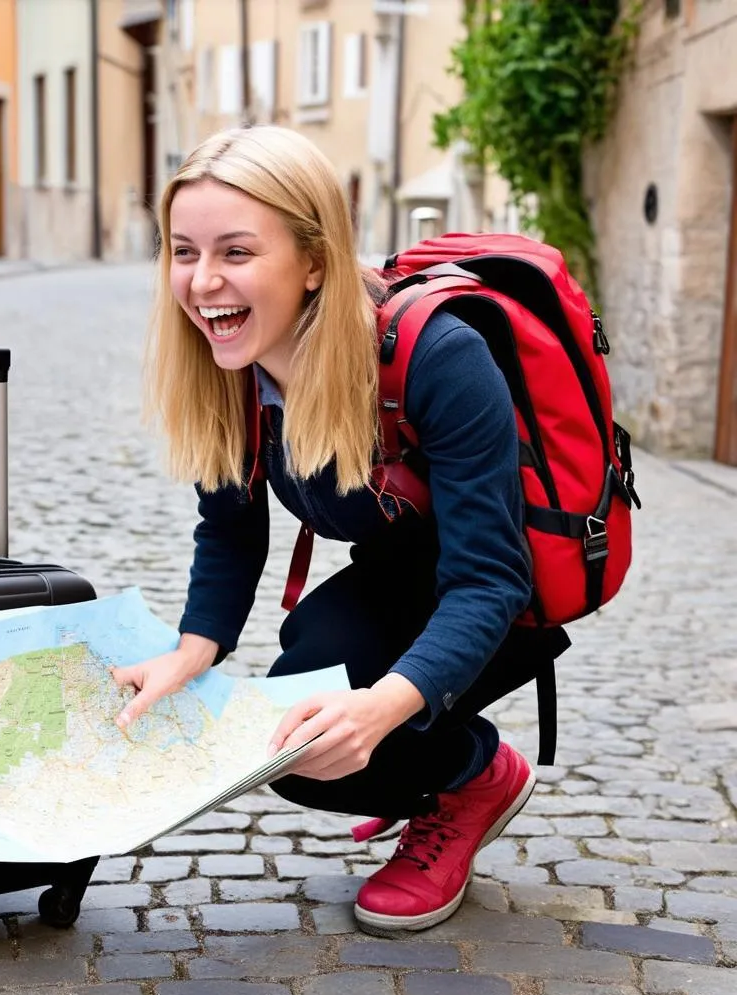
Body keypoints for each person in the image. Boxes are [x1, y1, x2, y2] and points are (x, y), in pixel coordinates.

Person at [111, 125, 569, 936]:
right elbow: (229, 527)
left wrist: (384, 710)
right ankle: (426, 761)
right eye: (184, 251)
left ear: (314, 260)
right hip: (404, 566)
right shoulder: (230, 361)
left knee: (332, 736)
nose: (203, 281)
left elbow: (489, 580)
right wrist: (190, 652)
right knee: (306, 683)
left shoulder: (438, 359)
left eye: (237, 253)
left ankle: (475, 777)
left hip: (505, 585)